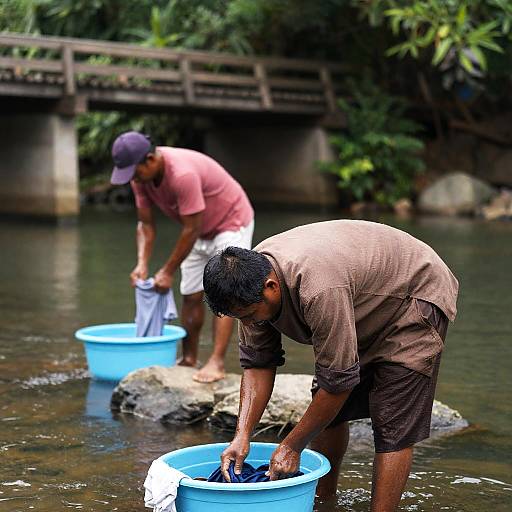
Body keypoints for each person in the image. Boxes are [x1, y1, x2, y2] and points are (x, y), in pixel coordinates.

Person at [202, 220, 459, 511]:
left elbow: (338, 384)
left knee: (392, 424)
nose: (248, 323)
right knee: (326, 411)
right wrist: (242, 435)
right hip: (361, 297)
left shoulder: (317, 289)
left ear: (271, 287)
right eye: (240, 318)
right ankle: (324, 500)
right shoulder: (247, 286)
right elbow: (258, 364)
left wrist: (290, 446)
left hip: (413, 294)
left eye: (249, 315)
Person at [110, 131, 254, 383]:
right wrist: (142, 263)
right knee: (191, 293)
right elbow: (145, 224)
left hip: (231, 221)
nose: (133, 179)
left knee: (226, 292)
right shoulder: (140, 179)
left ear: (151, 159)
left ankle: (216, 362)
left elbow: (191, 229)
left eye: (135, 172)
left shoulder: (182, 175)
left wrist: (166, 271)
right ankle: (189, 358)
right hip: (199, 228)